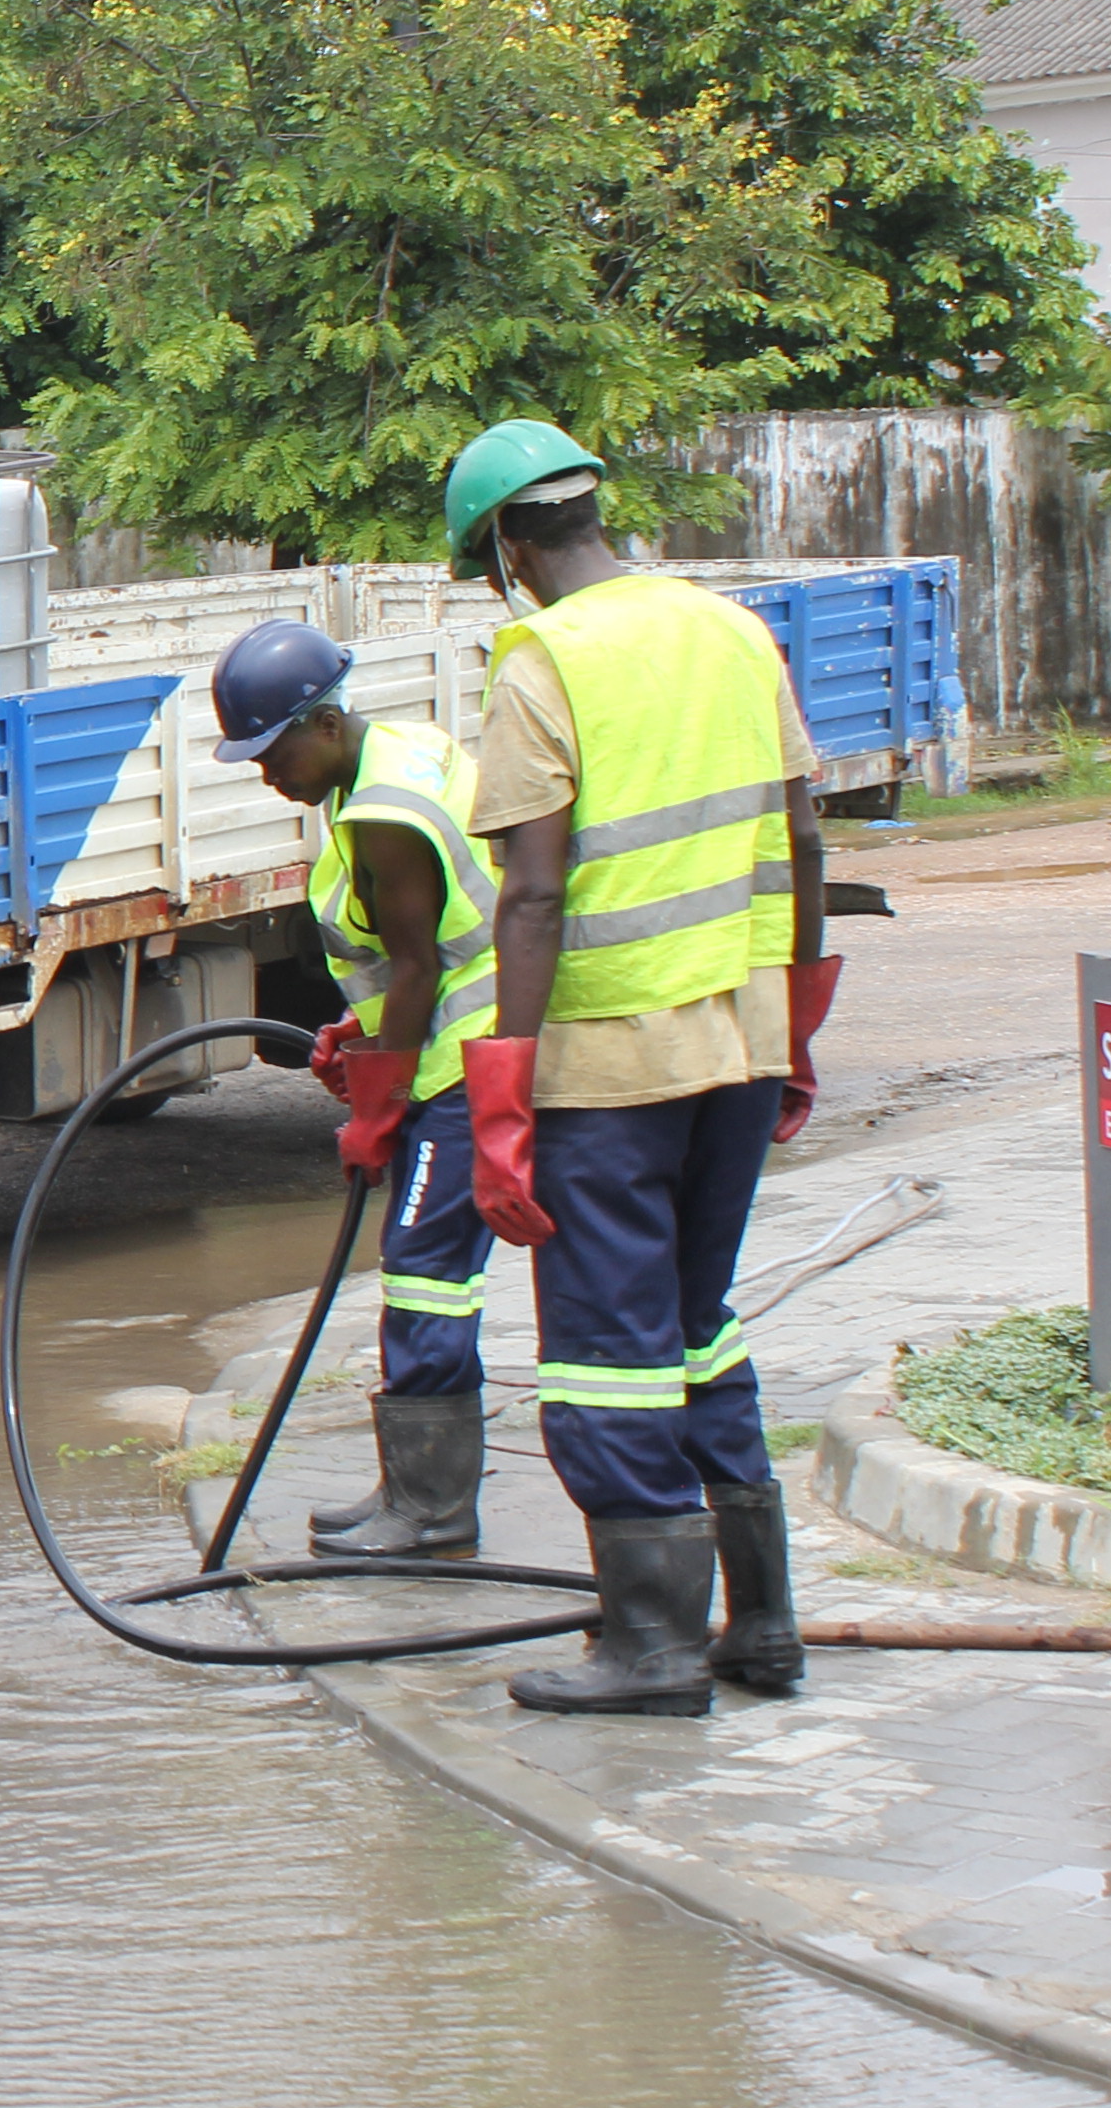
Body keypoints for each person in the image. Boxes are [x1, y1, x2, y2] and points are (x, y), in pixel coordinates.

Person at [446, 418, 834, 1717]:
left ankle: (656, 1648)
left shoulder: (542, 662)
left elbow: (535, 899)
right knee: (699, 1323)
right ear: (593, 512)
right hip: (738, 1041)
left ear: (509, 546)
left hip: (610, 1069)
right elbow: (805, 838)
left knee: (610, 1351)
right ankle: (762, 1626)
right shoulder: (732, 630)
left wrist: (500, 1088)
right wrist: (800, 1014)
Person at [206, 618, 500, 1560]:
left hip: (460, 1070)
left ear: (324, 723)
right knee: (422, 1276)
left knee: (424, 1279)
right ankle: (414, 1492)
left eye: (273, 750)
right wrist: (357, 1032)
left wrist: (379, 1107)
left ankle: (432, 1509)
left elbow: (418, 967)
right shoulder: (398, 756)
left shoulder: (381, 815)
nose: (266, 773)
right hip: (457, 1051)